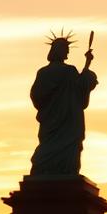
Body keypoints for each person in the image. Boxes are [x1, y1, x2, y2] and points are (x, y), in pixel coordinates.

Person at [29, 32, 97, 177]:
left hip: (51, 122)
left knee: (48, 147)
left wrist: (49, 106)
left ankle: (45, 170)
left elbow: (36, 96)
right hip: (69, 123)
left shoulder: (43, 73)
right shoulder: (69, 72)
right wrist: (87, 65)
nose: (67, 52)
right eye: (66, 50)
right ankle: (64, 172)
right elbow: (82, 86)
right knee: (66, 148)